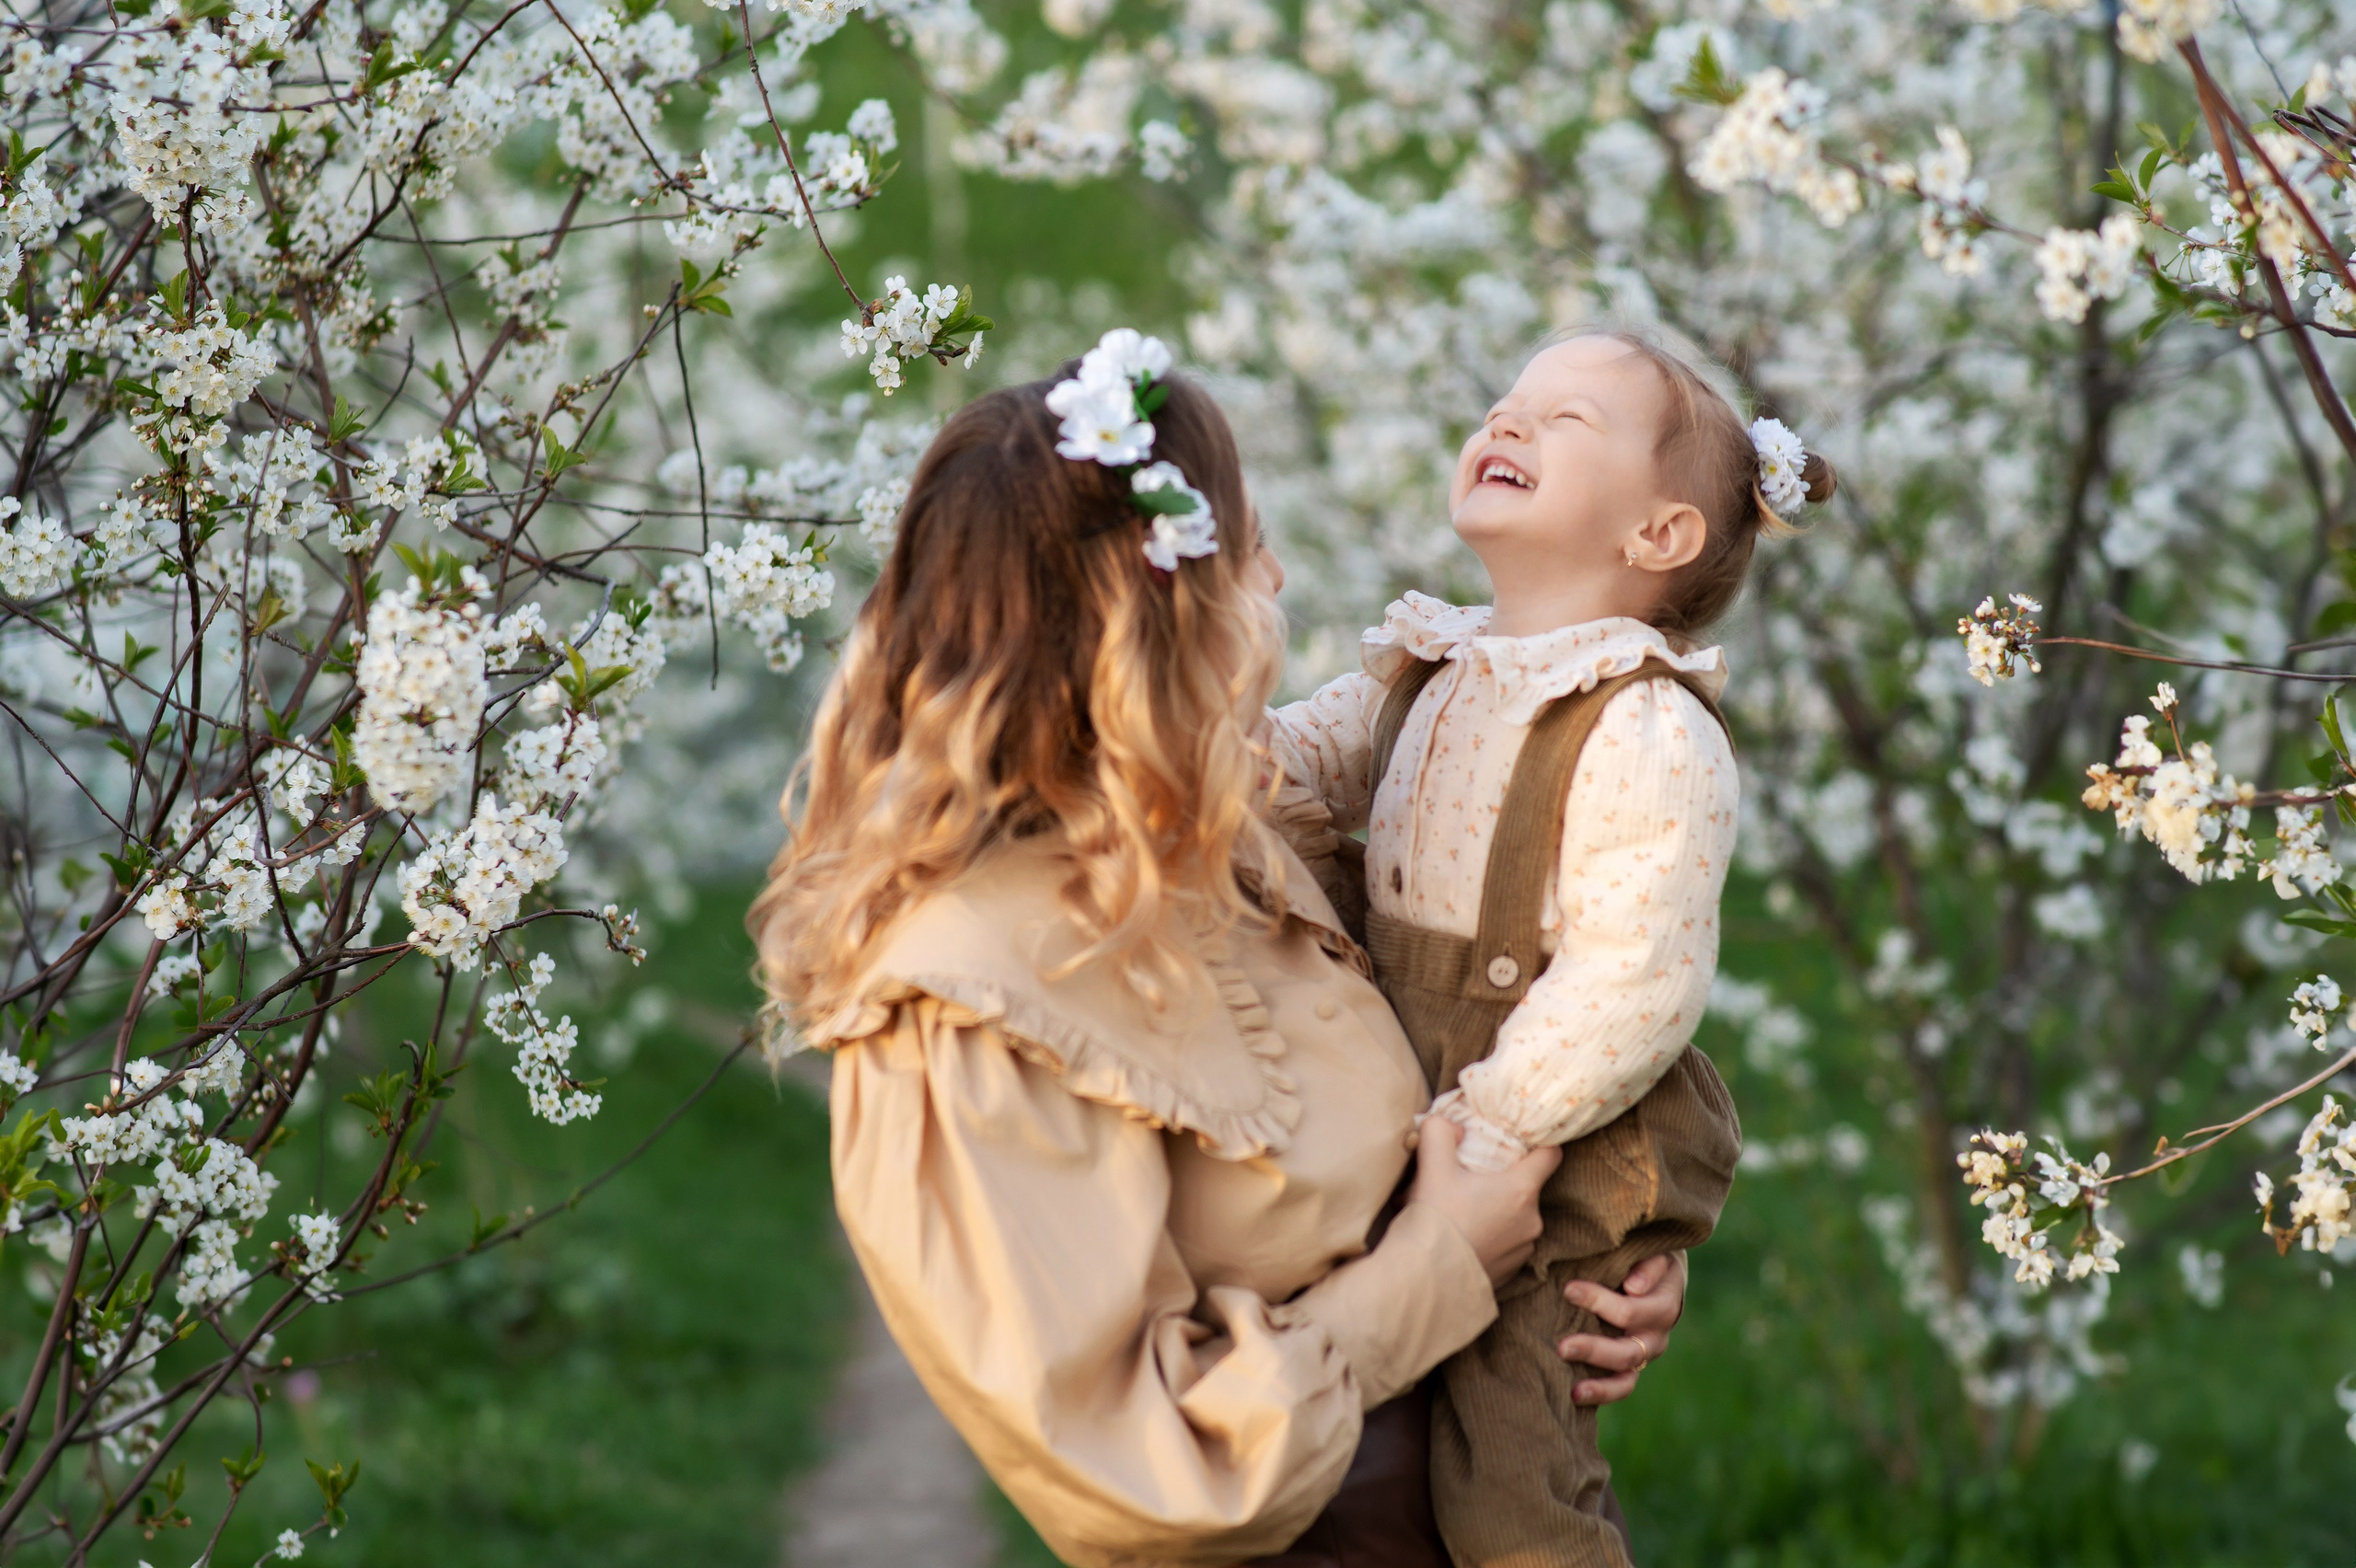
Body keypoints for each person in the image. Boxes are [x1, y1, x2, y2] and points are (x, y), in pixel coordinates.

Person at [753, 330, 1686, 1568]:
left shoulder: (1215, 837)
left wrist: (1590, 1260)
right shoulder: (964, 999)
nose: (1283, 577)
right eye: (1250, 551)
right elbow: (1143, 1474)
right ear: (1160, 602)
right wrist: (1442, 1264)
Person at [1265, 327, 1834, 1568]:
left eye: (1564, 421)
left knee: (1505, 1459)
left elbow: (1637, 977)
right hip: (1437, 1096)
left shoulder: (1644, 725)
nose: (1508, 424)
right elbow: (1293, 763)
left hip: (1550, 1136)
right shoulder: (1434, 664)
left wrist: (1488, 1132)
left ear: (1660, 536)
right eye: (1505, 403)